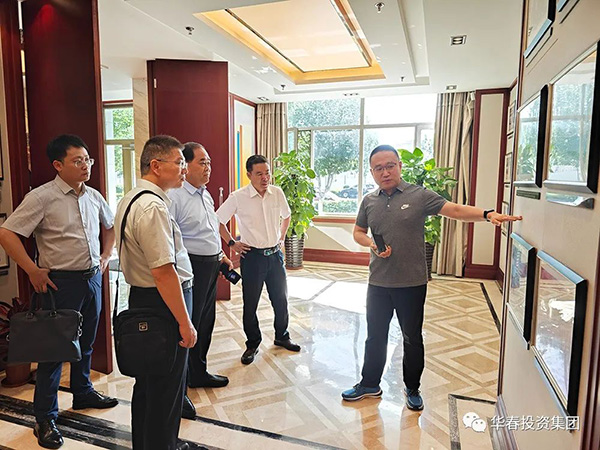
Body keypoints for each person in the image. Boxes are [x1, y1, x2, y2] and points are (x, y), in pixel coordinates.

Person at [341, 144, 522, 411]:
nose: (385, 172)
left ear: (400, 166)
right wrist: (371, 244)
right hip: (378, 282)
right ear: (371, 172)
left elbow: (455, 211)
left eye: (390, 166)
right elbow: (358, 232)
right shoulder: (369, 201)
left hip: (412, 283)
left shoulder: (419, 195)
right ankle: (369, 384)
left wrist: (487, 215)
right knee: (375, 336)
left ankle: (412, 387)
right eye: (378, 168)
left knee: (412, 337)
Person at [0, 134, 118, 449]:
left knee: (87, 342)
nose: (86, 165)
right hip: (59, 284)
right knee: (53, 352)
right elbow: (7, 233)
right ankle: (45, 417)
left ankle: (83, 391)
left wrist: (106, 256)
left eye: (88, 159)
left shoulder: (93, 195)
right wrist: (31, 269)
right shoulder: (42, 197)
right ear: (58, 165)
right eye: (78, 161)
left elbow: (110, 226)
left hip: (91, 279)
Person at [114, 135, 197, 450]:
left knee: (148, 384)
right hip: (162, 302)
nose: (184, 169)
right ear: (156, 165)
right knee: (166, 388)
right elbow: (163, 272)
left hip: (144, 297)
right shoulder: (152, 207)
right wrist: (185, 323)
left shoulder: (132, 198)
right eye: (179, 162)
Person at [168, 142, 233, 419]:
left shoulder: (205, 194)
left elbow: (210, 231)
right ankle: (179, 390)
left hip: (210, 265)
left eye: (209, 162)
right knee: (187, 327)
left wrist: (221, 255)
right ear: (186, 165)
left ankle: (199, 372)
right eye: (202, 162)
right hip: (190, 267)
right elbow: (171, 239)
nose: (208, 168)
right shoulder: (175, 196)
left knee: (206, 321)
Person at [217, 155, 300, 365]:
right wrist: (232, 243)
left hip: (275, 256)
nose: (265, 178)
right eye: (259, 174)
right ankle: (253, 343)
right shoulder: (238, 197)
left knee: (280, 299)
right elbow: (218, 220)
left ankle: (282, 336)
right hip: (252, 257)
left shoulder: (277, 193)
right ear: (249, 175)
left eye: (267, 173)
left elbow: (287, 215)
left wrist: (281, 237)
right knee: (251, 303)